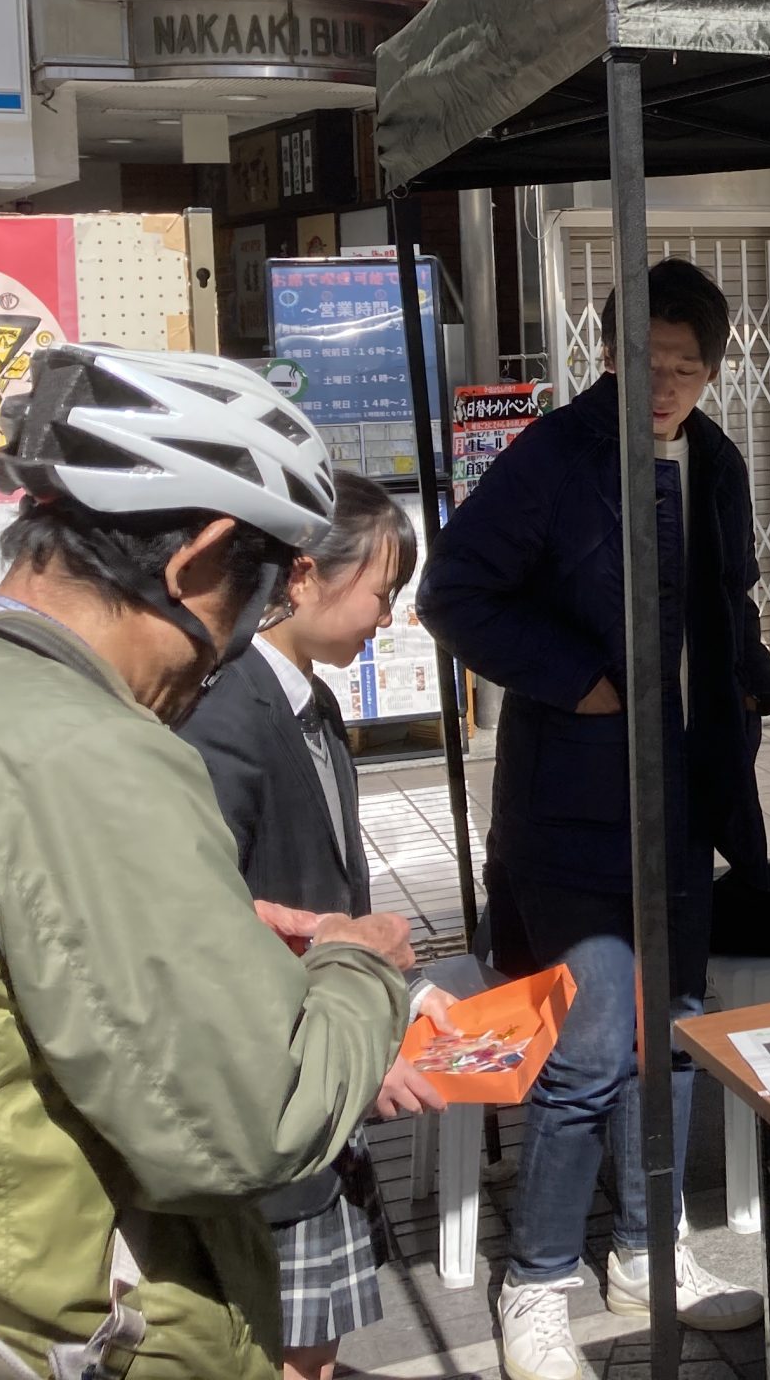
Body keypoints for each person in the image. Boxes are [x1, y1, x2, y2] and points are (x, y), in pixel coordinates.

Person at [0, 344, 415, 1379]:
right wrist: (359, 967)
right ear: (201, 558)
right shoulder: (91, 755)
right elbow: (256, 1123)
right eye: (256, 603)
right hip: (59, 1336)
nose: (232, 648)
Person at [420, 260, 770, 1380]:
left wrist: (749, 687)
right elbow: (453, 593)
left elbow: (728, 599)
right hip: (572, 805)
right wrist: (576, 680)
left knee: (671, 1035)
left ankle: (648, 1249)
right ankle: (536, 1283)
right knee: (588, 1050)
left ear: (715, 371)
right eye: (647, 359)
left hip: (687, 789)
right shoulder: (553, 455)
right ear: (608, 352)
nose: (665, 385)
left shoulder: (716, 460)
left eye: (688, 367)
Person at [180, 470, 459, 1380]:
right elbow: (207, 923)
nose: (390, 615)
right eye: (382, 590)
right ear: (302, 577)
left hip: (319, 1073)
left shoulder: (314, 702)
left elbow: (333, 896)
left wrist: (405, 989)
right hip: (275, 1082)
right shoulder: (226, 714)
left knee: (314, 1342)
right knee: (285, 1346)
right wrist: (350, 1038)